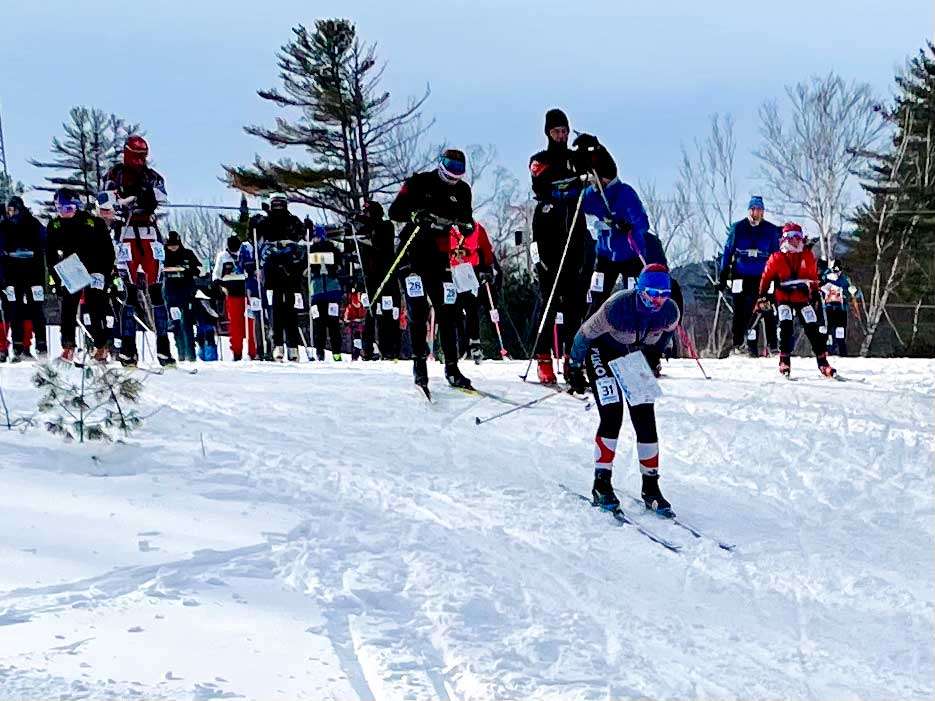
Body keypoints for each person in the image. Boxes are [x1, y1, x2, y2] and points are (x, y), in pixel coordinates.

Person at [564, 263, 680, 514]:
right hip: (601, 352)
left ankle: (651, 486)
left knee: (645, 417)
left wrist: (654, 357)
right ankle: (601, 483)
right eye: (651, 294)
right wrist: (573, 366)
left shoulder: (670, 312)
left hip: (632, 356)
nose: (657, 301)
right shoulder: (617, 307)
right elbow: (584, 334)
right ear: (639, 290)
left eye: (663, 295)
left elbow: (664, 337)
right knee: (612, 413)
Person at [388, 148, 475, 391]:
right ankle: (419, 364)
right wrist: (416, 215)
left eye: (458, 168)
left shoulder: (462, 190)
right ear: (440, 163)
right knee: (417, 309)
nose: (453, 173)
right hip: (412, 254)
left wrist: (467, 227)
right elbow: (394, 211)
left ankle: (452, 366)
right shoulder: (419, 182)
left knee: (448, 310)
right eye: (449, 166)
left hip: (440, 257)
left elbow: (467, 219)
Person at [100, 135, 174, 367]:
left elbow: (162, 198)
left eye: (143, 157)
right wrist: (126, 201)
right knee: (129, 291)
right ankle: (128, 349)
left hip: (150, 233)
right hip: (125, 233)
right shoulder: (115, 174)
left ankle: (164, 347)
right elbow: (104, 203)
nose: (140, 161)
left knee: (155, 290)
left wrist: (147, 196)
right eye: (136, 156)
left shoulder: (152, 176)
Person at [529, 109, 591, 384]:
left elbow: (603, 171)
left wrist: (594, 148)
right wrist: (569, 182)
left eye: (564, 131)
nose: (561, 136)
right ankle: (544, 357)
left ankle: (571, 359)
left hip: (575, 238)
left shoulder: (576, 158)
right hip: (549, 241)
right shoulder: (540, 159)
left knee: (575, 304)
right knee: (549, 302)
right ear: (548, 133)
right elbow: (541, 184)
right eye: (556, 131)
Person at [576, 134, 649, 318]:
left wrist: (629, 225)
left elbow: (643, 223)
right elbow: (578, 202)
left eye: (596, 179)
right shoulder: (593, 195)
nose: (593, 183)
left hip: (630, 255)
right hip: (605, 256)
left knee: (633, 297)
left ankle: (635, 333)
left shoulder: (625, 194)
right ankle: (592, 334)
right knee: (597, 295)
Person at [45, 188, 116, 362]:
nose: (64, 213)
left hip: (94, 270)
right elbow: (50, 255)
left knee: (95, 308)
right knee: (68, 310)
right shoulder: (55, 225)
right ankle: (68, 346)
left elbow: (108, 251)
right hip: (70, 271)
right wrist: (56, 278)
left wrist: (104, 274)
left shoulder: (93, 223)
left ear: (77, 206)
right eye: (60, 209)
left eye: (68, 208)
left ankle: (101, 346)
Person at [757, 223, 836, 378]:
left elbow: (813, 277)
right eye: (792, 238)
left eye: (798, 238)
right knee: (786, 326)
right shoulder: (776, 258)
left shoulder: (807, 255)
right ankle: (784, 360)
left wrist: (815, 293)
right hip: (783, 297)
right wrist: (762, 296)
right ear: (785, 239)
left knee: (813, 327)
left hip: (802, 297)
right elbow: (765, 279)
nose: (795, 241)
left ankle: (823, 363)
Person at [717, 196, 782, 357]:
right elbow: (728, 251)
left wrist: (777, 276)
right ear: (749, 210)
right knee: (740, 310)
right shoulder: (738, 228)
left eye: (759, 210)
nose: (756, 213)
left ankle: (773, 346)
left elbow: (776, 255)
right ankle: (738, 343)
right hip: (741, 273)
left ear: (763, 211)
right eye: (753, 209)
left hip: (762, 275)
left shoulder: (770, 230)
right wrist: (723, 275)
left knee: (766, 308)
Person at [256, 193, 305, 361]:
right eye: (275, 204)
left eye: (280, 204)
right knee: (275, 309)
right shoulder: (265, 221)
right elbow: (254, 238)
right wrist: (254, 223)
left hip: (290, 269)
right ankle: (277, 345)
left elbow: (301, 235)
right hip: (272, 269)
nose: (277, 207)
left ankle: (293, 347)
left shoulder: (293, 220)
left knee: (290, 309)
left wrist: (307, 228)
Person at [0, 196, 48, 361]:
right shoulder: (5, 225)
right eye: (8, 211)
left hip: (33, 273)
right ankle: (18, 346)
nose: (10, 213)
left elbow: (45, 241)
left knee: (36, 309)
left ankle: (41, 346)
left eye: (13, 210)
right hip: (13, 275)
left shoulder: (33, 223)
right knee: (15, 310)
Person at [354, 201, 400, 360]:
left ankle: (389, 348)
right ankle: (367, 348)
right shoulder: (360, 228)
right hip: (369, 277)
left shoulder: (386, 226)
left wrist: (366, 229)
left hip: (386, 276)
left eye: (368, 213)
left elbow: (381, 243)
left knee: (386, 312)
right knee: (370, 312)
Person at [449, 220, 496, 363]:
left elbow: (486, 248)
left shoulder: (475, 227)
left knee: (470, 308)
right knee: (455, 309)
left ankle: (474, 343)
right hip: (450, 271)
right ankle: (461, 345)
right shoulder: (445, 226)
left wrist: (487, 267)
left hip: (469, 270)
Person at [213, 234, 257, 361]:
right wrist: (221, 287)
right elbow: (216, 276)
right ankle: (237, 352)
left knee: (251, 322)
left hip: (247, 291)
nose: (235, 251)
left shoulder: (246, 252)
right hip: (232, 292)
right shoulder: (223, 256)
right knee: (236, 324)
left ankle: (253, 351)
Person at [162, 231, 202, 362]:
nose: (172, 248)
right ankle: (181, 352)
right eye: (170, 245)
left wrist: (187, 269)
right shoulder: (163, 255)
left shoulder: (188, 254)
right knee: (176, 323)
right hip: (171, 293)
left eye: (175, 245)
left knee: (187, 323)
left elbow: (198, 269)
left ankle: (191, 354)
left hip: (186, 292)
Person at [308, 225, 344, 361]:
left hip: (328, 291)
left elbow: (340, 267)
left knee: (328, 324)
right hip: (320, 292)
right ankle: (322, 352)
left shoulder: (332, 249)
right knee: (322, 324)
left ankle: (333, 353)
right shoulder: (310, 250)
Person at [819, 259, 853, 357]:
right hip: (828, 308)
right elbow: (819, 285)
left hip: (841, 308)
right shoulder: (826, 277)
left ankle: (842, 351)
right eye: (835, 270)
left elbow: (851, 291)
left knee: (840, 330)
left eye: (838, 270)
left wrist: (851, 292)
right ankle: (824, 350)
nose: (837, 272)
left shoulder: (845, 279)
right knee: (825, 329)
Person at [343, 288, 367, 360]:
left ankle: (357, 355)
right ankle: (356, 355)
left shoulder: (352, 305)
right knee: (357, 340)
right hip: (354, 325)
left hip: (357, 325)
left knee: (357, 340)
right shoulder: (351, 305)